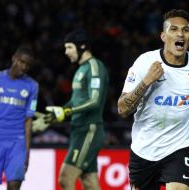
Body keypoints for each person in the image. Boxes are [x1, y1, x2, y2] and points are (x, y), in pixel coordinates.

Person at [118, 9, 189, 190]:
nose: (180, 34)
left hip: (180, 146)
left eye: (186, 29)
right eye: (174, 29)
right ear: (163, 36)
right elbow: (122, 109)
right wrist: (146, 81)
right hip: (144, 150)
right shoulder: (145, 63)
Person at [45, 28, 109, 190]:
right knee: (89, 181)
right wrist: (55, 114)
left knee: (65, 178)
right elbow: (75, 101)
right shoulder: (81, 69)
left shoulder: (95, 66)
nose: (66, 52)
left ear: (82, 47)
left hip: (89, 129)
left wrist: (67, 112)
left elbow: (94, 100)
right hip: (79, 130)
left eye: (69, 47)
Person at [0, 47, 38, 190]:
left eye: (28, 65)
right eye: (22, 62)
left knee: (14, 185)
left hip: (17, 142)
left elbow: (28, 121)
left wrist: (27, 153)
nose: (24, 67)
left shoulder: (33, 86)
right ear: (13, 58)